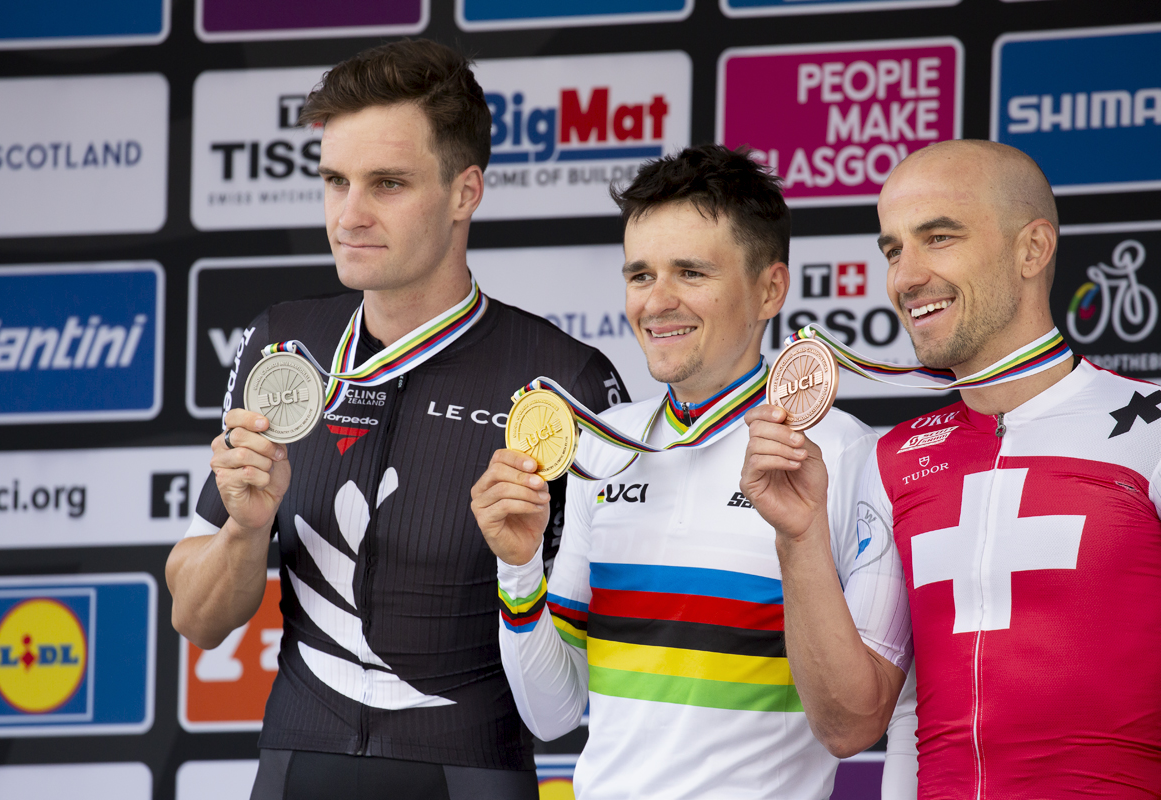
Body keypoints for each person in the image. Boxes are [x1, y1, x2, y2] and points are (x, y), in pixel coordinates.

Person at [165, 39, 628, 800]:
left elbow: (582, 686)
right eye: (334, 181)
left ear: (464, 192)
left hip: (469, 772)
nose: (350, 215)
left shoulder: (565, 381)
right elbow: (197, 619)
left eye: (387, 184)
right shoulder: (279, 346)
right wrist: (247, 530)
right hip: (295, 771)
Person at [740, 139, 1161, 797]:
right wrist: (798, 539)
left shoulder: (1152, 428)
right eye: (893, 249)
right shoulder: (891, 459)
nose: (905, 278)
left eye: (939, 237)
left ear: (1032, 249)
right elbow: (848, 724)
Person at [470, 144, 879, 799]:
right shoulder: (603, 446)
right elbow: (551, 715)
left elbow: (858, 718)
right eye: (640, 275)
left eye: (690, 272)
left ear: (770, 288)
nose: (657, 302)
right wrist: (519, 569)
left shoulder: (840, 452)